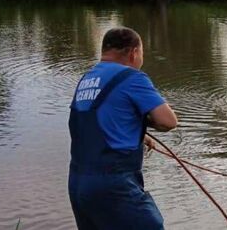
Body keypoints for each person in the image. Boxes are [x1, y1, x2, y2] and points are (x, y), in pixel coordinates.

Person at [68, 27, 178, 230]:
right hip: (113, 185)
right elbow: (168, 121)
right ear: (133, 52)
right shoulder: (132, 77)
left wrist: (140, 133)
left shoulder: (87, 80)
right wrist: (144, 121)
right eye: (142, 54)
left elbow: (97, 122)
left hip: (78, 184)